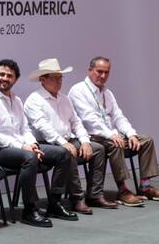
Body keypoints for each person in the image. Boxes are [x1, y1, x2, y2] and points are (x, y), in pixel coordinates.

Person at [0, 59, 77, 227]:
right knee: (29, 157)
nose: (4, 78)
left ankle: (54, 203)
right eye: (1, 74)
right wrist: (24, 147)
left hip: (22, 148)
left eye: (9, 76)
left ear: (15, 79)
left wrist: (32, 145)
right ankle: (29, 210)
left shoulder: (17, 100)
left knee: (62, 153)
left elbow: (25, 129)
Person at [24, 59, 116, 214]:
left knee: (98, 149)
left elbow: (76, 122)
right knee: (68, 152)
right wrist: (63, 143)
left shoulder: (64, 98)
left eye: (60, 77)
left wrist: (85, 141)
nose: (58, 81)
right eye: (54, 78)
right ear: (42, 79)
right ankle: (77, 198)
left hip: (68, 139)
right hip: (46, 144)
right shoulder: (34, 100)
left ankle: (95, 195)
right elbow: (43, 127)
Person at [68, 56, 159, 206]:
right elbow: (89, 119)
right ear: (90, 70)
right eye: (99, 71)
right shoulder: (78, 90)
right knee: (115, 143)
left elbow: (118, 116)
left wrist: (131, 134)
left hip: (111, 134)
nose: (103, 76)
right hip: (92, 136)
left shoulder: (107, 92)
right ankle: (123, 190)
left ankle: (145, 187)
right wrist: (112, 134)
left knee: (146, 141)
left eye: (107, 72)